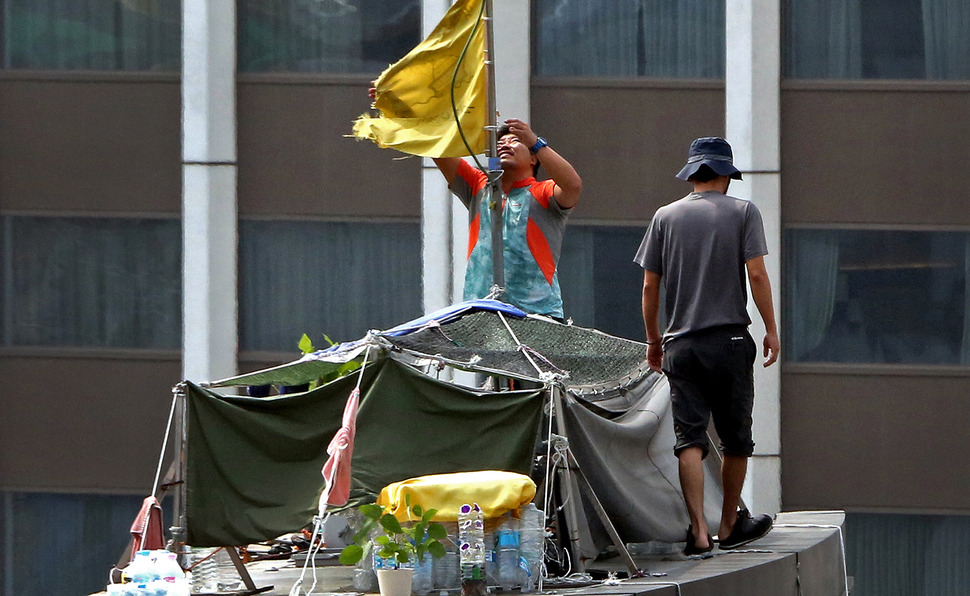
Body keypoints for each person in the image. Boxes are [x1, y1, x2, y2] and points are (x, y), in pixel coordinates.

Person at [634, 136, 780, 555]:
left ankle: (698, 531)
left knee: (691, 439)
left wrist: (654, 339)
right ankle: (730, 524)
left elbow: (649, 285)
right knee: (736, 439)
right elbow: (757, 276)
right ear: (726, 175)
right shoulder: (743, 213)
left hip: (681, 344)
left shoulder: (665, 216)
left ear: (693, 173)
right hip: (731, 339)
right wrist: (770, 329)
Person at [431, 119, 582, 320]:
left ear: (534, 159)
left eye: (514, 141)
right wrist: (404, 110)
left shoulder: (543, 192)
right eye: (500, 143)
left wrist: (536, 143)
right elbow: (437, 147)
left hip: (538, 315)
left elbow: (573, 186)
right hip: (481, 312)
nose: (504, 145)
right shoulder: (479, 186)